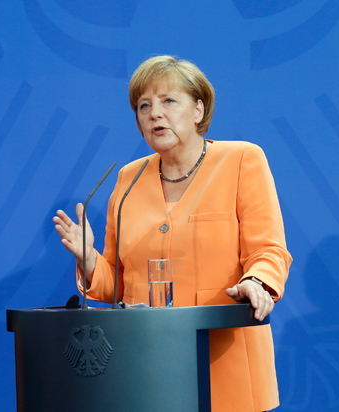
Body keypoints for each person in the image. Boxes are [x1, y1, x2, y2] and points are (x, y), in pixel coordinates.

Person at [53, 55, 291, 412]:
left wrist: (256, 283)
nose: (154, 113)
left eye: (168, 101)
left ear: (198, 110)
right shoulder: (128, 179)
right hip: (145, 365)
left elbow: (269, 250)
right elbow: (115, 285)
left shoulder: (242, 160)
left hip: (224, 360)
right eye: (143, 105)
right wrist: (88, 258)